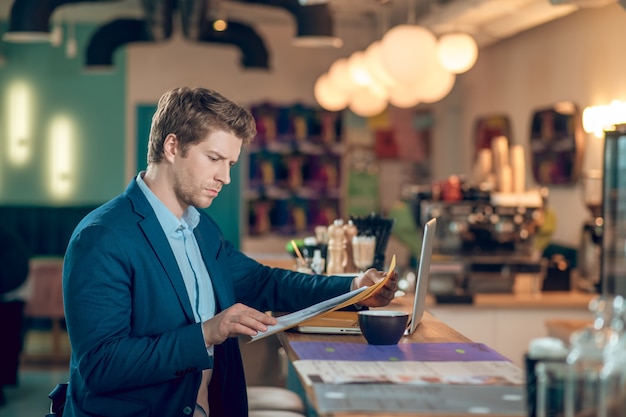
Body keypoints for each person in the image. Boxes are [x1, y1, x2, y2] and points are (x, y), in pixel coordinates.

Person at [62, 87, 398, 417]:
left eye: (231, 164)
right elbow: (101, 366)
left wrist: (355, 288)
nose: (225, 177)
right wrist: (208, 332)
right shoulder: (102, 237)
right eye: (214, 159)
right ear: (172, 146)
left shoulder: (201, 228)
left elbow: (264, 282)